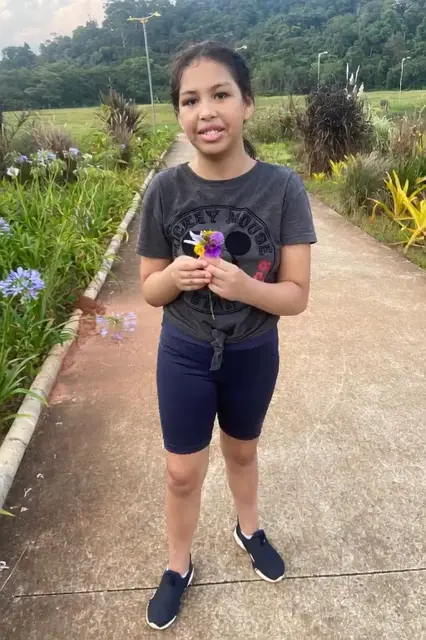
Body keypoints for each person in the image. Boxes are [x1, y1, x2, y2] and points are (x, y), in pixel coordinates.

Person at [137, 40, 317, 631]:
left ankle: (249, 529)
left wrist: (244, 287)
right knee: (181, 472)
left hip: (252, 351)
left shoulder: (282, 187)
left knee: (242, 451)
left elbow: (296, 295)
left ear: (247, 105)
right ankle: (177, 566)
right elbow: (149, 290)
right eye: (190, 100)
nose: (206, 111)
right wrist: (172, 276)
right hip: (184, 351)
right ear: (179, 114)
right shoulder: (164, 191)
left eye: (220, 94)